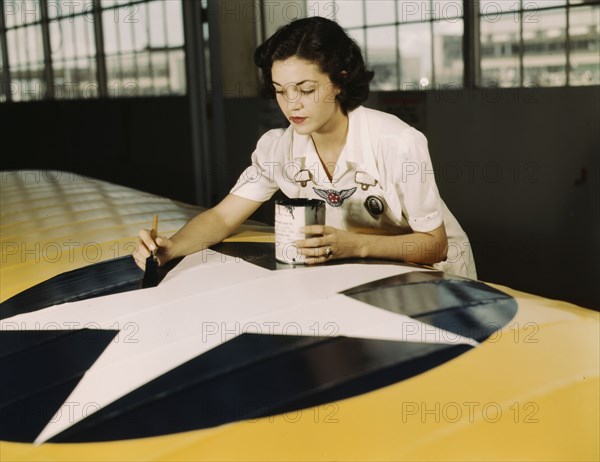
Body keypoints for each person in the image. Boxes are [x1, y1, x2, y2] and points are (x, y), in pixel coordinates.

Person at [134, 16, 476, 279]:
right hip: (361, 267)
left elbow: (435, 244)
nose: (291, 104)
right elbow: (224, 216)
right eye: (281, 90)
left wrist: (355, 245)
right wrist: (170, 248)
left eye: (306, 89)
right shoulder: (279, 148)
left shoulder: (396, 142)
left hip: (439, 274)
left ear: (340, 81)